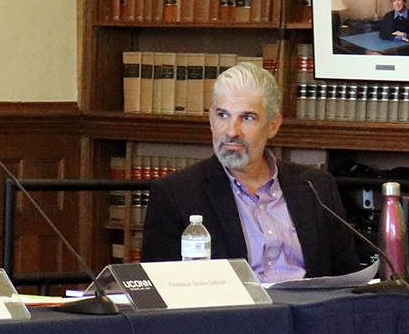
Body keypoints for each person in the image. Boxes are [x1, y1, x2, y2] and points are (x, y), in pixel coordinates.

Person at [141, 62, 361, 281]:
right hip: (233, 315)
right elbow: (159, 291)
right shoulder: (176, 194)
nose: (231, 131)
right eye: (223, 115)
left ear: (273, 126)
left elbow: (347, 279)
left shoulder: (316, 186)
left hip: (311, 312)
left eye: (247, 118)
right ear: (210, 119)